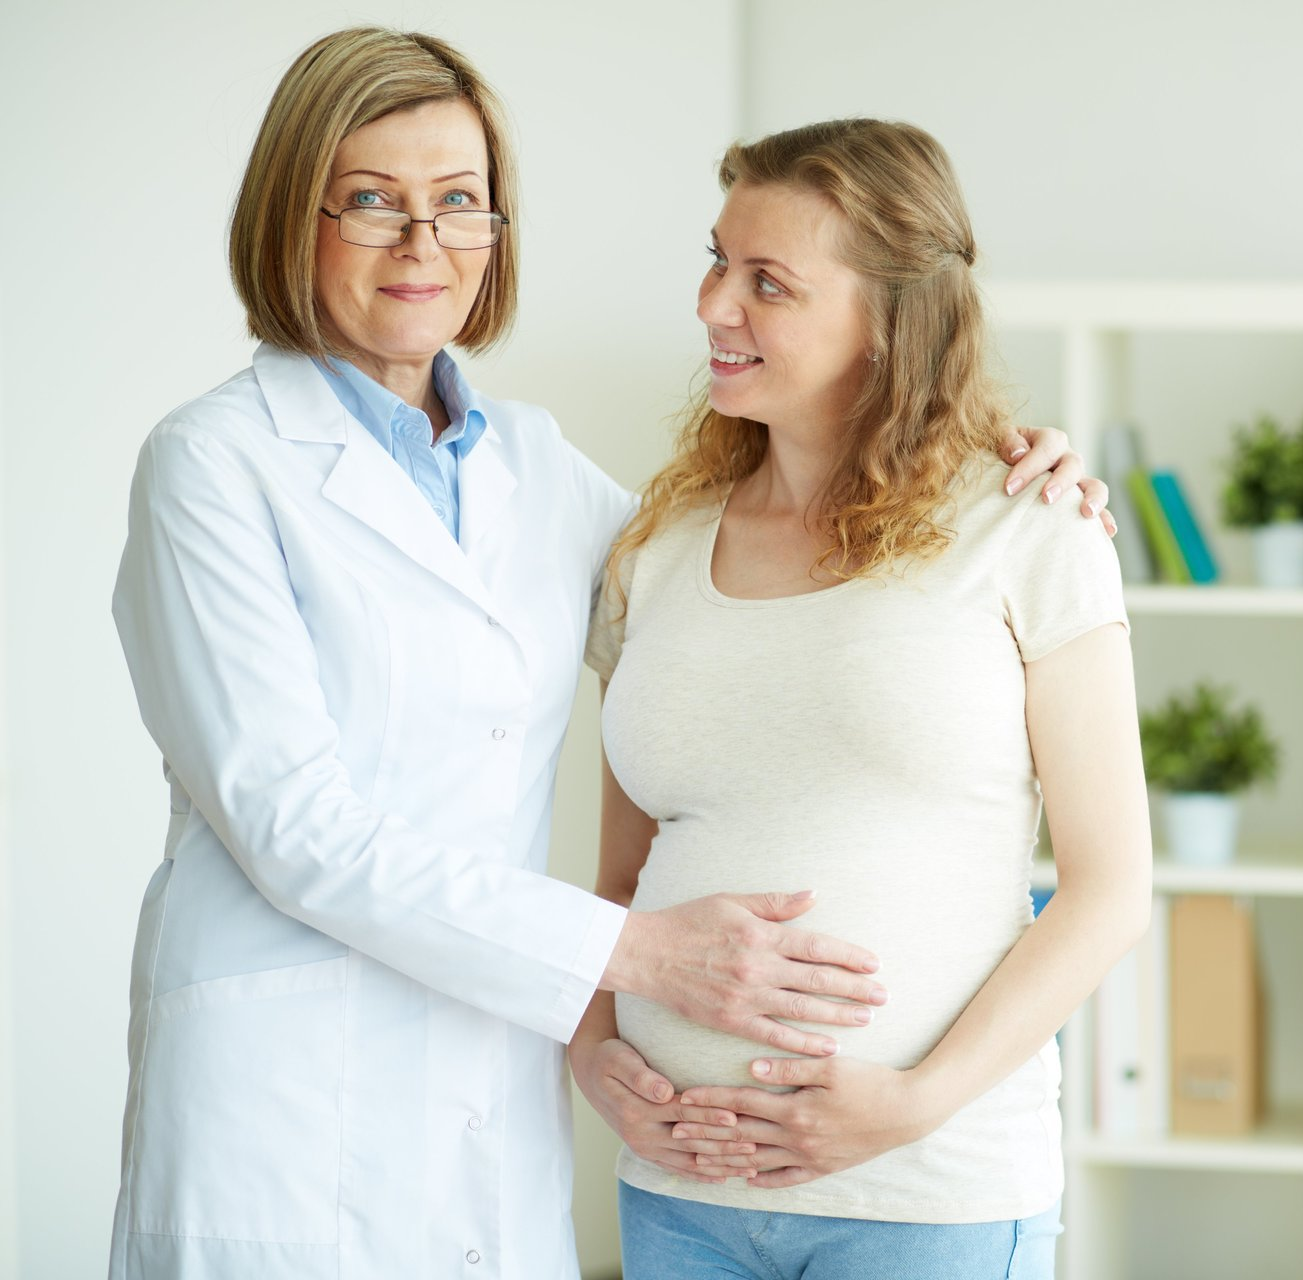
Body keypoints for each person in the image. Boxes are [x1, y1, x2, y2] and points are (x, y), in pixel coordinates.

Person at [107, 27, 1112, 1280]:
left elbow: (775, 582)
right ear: (288, 217)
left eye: (458, 201)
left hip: (506, 1104)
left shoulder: (540, 471)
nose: (422, 243)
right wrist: (635, 961)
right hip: (286, 1100)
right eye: (369, 200)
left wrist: (992, 454)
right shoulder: (212, 465)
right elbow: (295, 829)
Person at [573, 118, 1152, 1280]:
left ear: (891, 319)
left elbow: (1109, 889)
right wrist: (593, 1052)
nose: (713, 304)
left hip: (927, 1195)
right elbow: (622, 884)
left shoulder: (1030, 527)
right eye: (718, 260)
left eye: (768, 282)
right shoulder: (656, 549)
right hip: (680, 1191)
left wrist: (915, 1100)